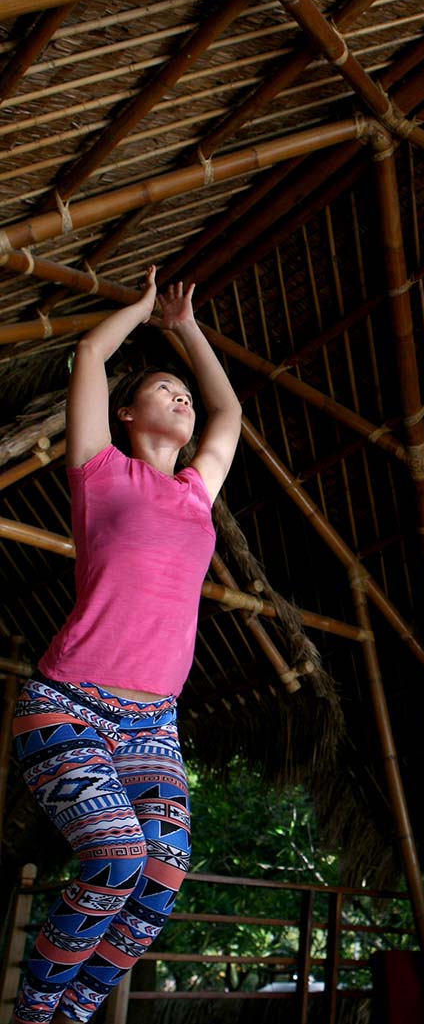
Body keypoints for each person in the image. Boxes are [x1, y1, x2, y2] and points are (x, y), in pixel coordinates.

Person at [11, 265, 241, 1024]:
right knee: (114, 858)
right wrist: (142, 310)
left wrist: (187, 328)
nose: (180, 397)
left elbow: (228, 408)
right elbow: (86, 356)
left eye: (183, 393)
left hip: (153, 725)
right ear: (125, 412)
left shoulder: (195, 490)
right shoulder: (100, 470)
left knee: (162, 877)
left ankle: (73, 1013)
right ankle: (37, 1015)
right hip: (67, 704)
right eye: (162, 389)